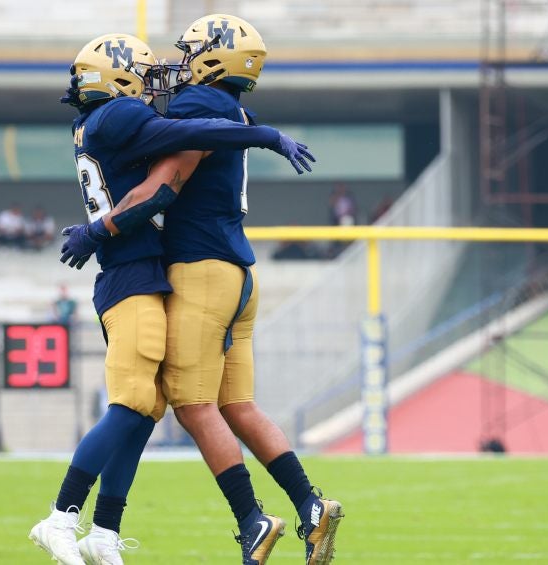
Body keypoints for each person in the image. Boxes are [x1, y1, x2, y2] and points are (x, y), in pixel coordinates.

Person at [30, 32, 314, 565]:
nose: (154, 79)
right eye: (138, 72)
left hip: (146, 274)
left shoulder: (100, 121)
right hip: (130, 276)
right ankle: (62, 514)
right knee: (135, 405)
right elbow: (179, 133)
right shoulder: (113, 116)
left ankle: (105, 532)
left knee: (145, 412)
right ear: (115, 78)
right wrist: (264, 134)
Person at [157, 16, 342, 564]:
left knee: (193, 406)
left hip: (200, 268)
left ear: (215, 58)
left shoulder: (201, 107)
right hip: (239, 271)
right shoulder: (233, 109)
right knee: (236, 403)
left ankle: (252, 520)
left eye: (192, 53)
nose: (183, 63)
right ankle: (310, 505)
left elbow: (168, 176)